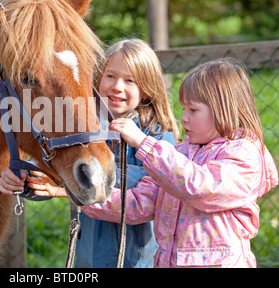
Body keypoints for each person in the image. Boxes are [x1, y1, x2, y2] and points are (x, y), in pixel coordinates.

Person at [0, 38, 181, 267]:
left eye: (130, 80)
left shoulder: (157, 136)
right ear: (97, 79)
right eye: (110, 76)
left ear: (146, 91)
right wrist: (25, 179)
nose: (117, 86)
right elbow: (57, 170)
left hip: (137, 261)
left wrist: (63, 188)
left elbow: (152, 186)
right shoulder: (85, 129)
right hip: (89, 259)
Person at [82, 57, 278, 267]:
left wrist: (143, 142)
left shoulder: (243, 154)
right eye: (184, 109)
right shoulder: (181, 153)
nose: (183, 118)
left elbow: (199, 186)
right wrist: (80, 194)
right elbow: (139, 203)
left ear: (224, 110)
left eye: (192, 110)